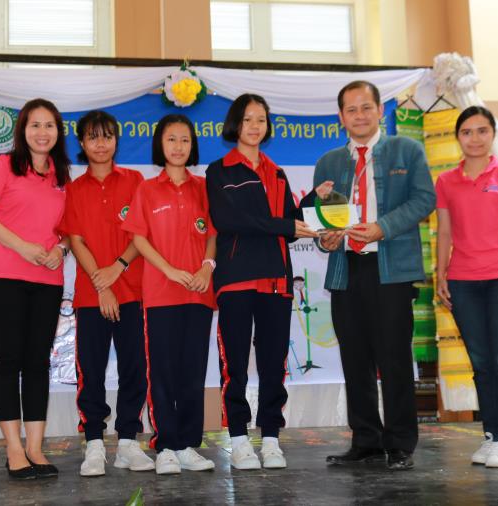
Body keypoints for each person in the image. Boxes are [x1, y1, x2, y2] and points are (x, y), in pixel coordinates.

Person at [312, 80, 435, 471]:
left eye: (366, 107)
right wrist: (326, 239)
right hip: (346, 270)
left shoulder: (407, 150)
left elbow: (425, 199)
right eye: (351, 109)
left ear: (381, 111)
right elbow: (322, 219)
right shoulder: (329, 162)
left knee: (394, 358)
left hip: (391, 269)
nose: (359, 115)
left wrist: (383, 227)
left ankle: (400, 443)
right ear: (340, 117)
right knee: (355, 359)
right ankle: (365, 441)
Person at [205, 94, 317, 470]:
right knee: (234, 364)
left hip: (277, 282)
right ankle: (238, 439)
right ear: (235, 124)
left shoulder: (276, 172)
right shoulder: (220, 171)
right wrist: (285, 225)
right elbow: (230, 220)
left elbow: (288, 225)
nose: (255, 126)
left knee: (273, 364)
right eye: (248, 119)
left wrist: (315, 202)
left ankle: (270, 438)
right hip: (236, 279)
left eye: (261, 120)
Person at [0, 98, 71, 480]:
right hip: (6, 277)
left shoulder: (62, 175)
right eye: (35, 125)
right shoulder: (4, 165)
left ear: (58, 132)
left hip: (48, 280)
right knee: (9, 361)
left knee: (37, 363)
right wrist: (23, 247)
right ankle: (14, 449)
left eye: (49, 125)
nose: (42, 133)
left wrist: (61, 249)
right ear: (23, 130)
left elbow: (68, 229)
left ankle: (35, 449)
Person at [121, 114, 217, 475]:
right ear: (160, 145)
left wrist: (207, 267)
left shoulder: (204, 187)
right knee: (162, 372)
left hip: (199, 294)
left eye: (185, 140)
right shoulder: (147, 189)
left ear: (193, 145)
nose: (178, 147)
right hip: (161, 293)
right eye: (171, 139)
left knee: (193, 371)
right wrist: (170, 270)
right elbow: (138, 238)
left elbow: (213, 234)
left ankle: (188, 444)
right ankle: (165, 446)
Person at [61, 110, 154, 477]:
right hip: (90, 296)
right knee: (91, 371)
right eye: (92, 137)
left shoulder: (135, 181)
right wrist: (103, 285)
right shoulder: (73, 189)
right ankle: (95, 444)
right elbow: (76, 240)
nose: (100, 144)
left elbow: (141, 234)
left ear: (116, 140)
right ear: (82, 143)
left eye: (107, 136)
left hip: (133, 291)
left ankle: (128, 442)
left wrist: (118, 268)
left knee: (135, 368)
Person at [435, 105, 498, 469]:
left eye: (482, 131)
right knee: (481, 363)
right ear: (458, 137)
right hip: (463, 282)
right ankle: (491, 435)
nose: (474, 138)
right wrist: (441, 275)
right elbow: (444, 231)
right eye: (467, 132)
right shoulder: (446, 181)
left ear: (492, 135)